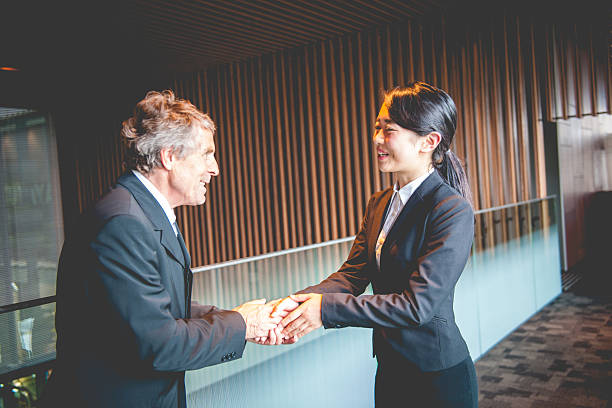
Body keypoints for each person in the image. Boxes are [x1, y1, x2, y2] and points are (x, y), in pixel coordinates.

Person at [44, 90, 281, 408]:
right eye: (207, 154)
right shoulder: (123, 222)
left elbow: (158, 306)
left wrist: (235, 317)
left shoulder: (142, 211)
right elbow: (159, 343)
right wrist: (241, 324)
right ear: (170, 156)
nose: (215, 168)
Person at [271, 82, 478, 407]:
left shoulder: (450, 210)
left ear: (429, 141)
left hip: (437, 377)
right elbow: (353, 274)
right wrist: (300, 302)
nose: (377, 139)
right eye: (377, 128)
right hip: (391, 367)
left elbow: (416, 307)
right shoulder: (379, 203)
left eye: (389, 130)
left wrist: (324, 311)